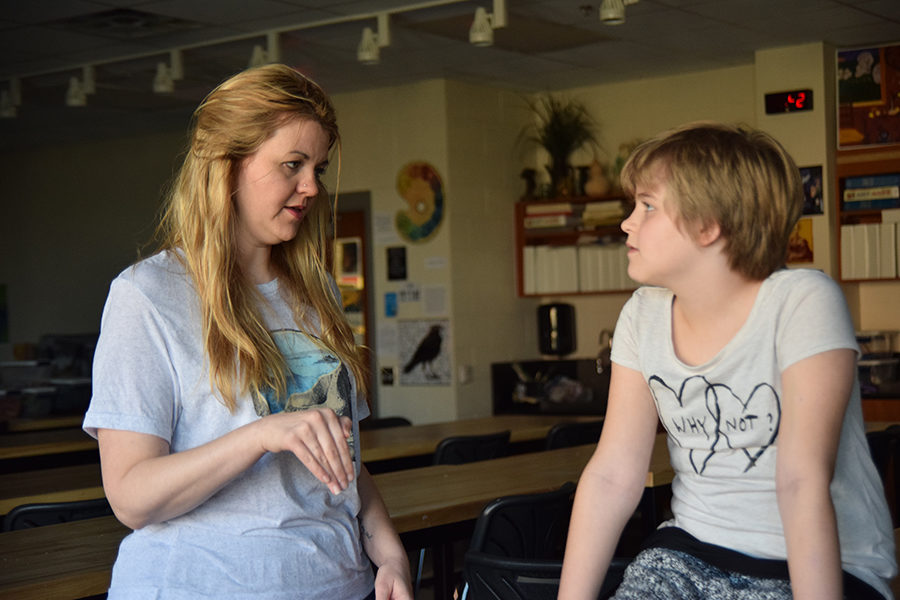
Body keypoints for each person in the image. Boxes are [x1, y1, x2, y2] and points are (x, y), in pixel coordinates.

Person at [83, 64, 413, 600]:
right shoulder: (147, 296)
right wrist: (261, 434)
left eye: (318, 168)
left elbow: (344, 464)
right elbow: (130, 496)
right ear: (226, 167)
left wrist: (390, 556)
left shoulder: (318, 291)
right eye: (292, 165)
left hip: (339, 585)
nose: (310, 187)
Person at [558, 122, 896, 600]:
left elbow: (801, 481)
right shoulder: (643, 315)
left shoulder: (800, 301)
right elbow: (612, 476)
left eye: (648, 206)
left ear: (708, 224)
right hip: (691, 552)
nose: (627, 223)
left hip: (820, 564)